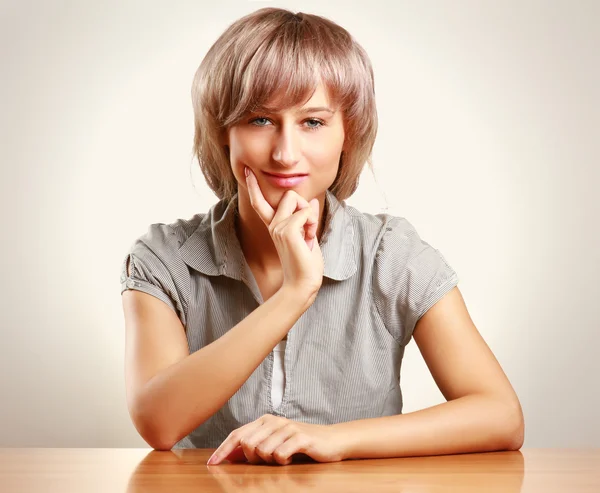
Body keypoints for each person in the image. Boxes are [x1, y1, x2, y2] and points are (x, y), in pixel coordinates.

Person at [120, 7, 524, 465]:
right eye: (259, 119)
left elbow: (501, 416)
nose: (285, 152)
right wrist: (294, 293)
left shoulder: (391, 254)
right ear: (223, 132)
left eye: (313, 122)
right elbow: (158, 422)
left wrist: (336, 440)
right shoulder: (164, 258)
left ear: (347, 134)